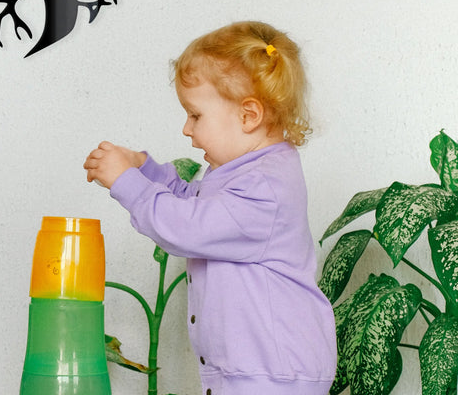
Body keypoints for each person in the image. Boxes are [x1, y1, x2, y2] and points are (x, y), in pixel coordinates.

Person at [83, 21, 337, 395]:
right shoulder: (246, 173)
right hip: (257, 372)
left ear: (249, 116)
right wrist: (143, 169)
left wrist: (127, 183)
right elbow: (196, 204)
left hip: (272, 375)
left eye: (196, 115)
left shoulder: (264, 188)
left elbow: (189, 227)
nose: (186, 129)